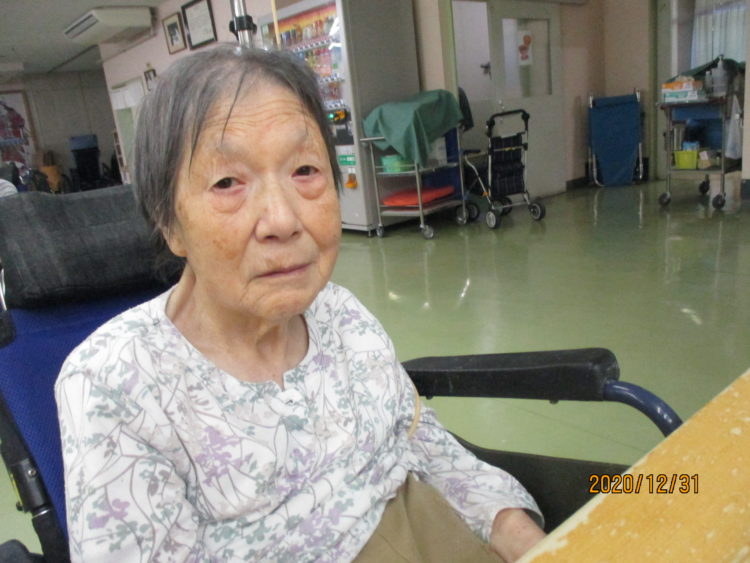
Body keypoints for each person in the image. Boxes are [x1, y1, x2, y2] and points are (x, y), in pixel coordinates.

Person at [55, 45, 545, 562]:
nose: (283, 220)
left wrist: (524, 539)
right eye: (227, 182)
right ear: (168, 223)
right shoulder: (115, 383)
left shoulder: (340, 313)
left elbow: (420, 442)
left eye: (305, 170)